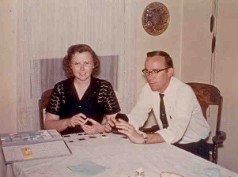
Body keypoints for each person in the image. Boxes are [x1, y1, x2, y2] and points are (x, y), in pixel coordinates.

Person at [107, 51, 210, 160]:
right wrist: (119, 122)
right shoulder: (148, 88)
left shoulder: (183, 92)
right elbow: (138, 115)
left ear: (170, 72)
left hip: (193, 147)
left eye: (156, 71)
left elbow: (176, 130)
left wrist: (143, 138)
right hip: (167, 144)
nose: (150, 77)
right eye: (147, 71)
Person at [45, 44, 120, 135]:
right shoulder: (60, 88)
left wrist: (101, 128)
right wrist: (68, 122)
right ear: (70, 66)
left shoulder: (105, 87)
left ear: (93, 64)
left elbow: (117, 124)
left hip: (95, 142)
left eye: (86, 63)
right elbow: (48, 125)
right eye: (77, 64)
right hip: (65, 142)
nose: (82, 69)